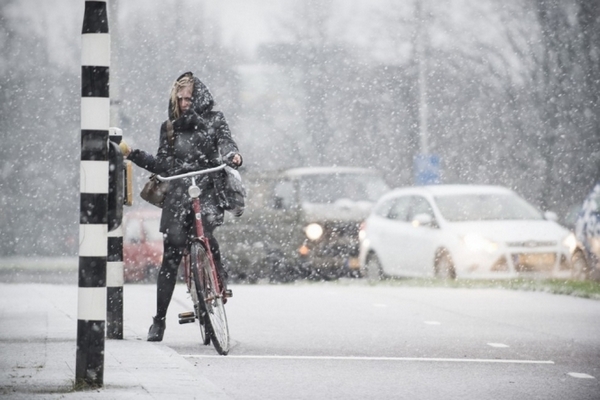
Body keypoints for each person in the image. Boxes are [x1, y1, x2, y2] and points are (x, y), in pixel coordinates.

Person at [120, 72, 242, 342]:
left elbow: (225, 142)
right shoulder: (170, 127)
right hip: (178, 192)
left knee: (207, 236)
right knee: (171, 255)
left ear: (200, 96)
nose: (185, 102)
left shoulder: (215, 120)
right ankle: (159, 321)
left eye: (190, 97)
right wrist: (134, 155)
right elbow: (164, 164)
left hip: (207, 189)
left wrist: (232, 155)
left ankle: (217, 283)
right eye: (180, 98)